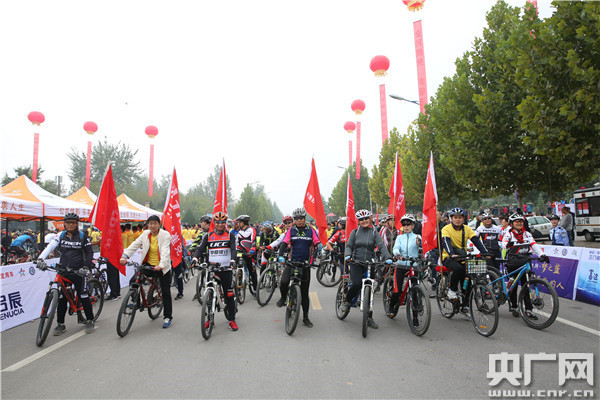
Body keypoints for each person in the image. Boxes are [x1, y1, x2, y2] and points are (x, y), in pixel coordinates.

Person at [37, 213, 95, 335]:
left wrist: (85, 267)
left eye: (73, 222)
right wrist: (40, 258)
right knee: (62, 298)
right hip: (64, 271)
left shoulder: (82, 236)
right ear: (64, 223)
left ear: (76, 224)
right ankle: (60, 324)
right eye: (68, 222)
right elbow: (51, 246)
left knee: (83, 295)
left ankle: (90, 320)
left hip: (79, 271)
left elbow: (89, 253)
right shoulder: (60, 235)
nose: (70, 224)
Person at [341, 209, 393, 329]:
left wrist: (388, 257)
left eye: (366, 218)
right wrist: (348, 255)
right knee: (357, 283)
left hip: (370, 263)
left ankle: (369, 317)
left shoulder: (374, 233)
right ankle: (347, 302)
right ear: (358, 221)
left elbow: (381, 246)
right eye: (361, 219)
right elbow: (348, 246)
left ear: (370, 219)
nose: (364, 221)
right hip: (356, 262)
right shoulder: (355, 232)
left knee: (371, 290)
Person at [120, 215, 174, 329]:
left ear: (159, 224)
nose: (153, 225)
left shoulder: (165, 235)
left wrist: (161, 265)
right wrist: (125, 256)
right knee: (134, 281)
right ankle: (137, 301)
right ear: (147, 225)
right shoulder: (145, 234)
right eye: (150, 223)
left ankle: (167, 317)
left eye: (155, 223)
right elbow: (134, 245)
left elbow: (165, 251)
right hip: (148, 265)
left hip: (162, 267)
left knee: (165, 293)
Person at [192, 211, 238, 331]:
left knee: (229, 295)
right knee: (209, 293)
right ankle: (209, 319)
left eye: (222, 222)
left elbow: (233, 249)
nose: (220, 224)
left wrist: (232, 261)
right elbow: (200, 248)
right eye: (217, 222)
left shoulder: (230, 236)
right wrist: (195, 258)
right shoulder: (208, 236)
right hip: (212, 270)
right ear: (214, 223)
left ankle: (232, 320)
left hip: (226, 269)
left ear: (225, 223)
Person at [276, 208, 320, 328]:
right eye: (296, 219)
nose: (299, 220)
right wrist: (280, 256)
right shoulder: (291, 230)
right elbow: (284, 243)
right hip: (292, 262)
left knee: (304, 294)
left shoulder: (311, 230)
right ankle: (284, 297)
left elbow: (316, 242)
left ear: (305, 219)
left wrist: (320, 247)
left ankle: (305, 317)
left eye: (301, 218)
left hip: (305, 264)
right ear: (294, 220)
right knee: (284, 282)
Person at [441, 208, 490, 312]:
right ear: (451, 219)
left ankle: (465, 305)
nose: (457, 220)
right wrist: (452, 254)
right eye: (455, 218)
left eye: (460, 217)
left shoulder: (467, 229)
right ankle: (452, 289)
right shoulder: (446, 229)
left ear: (463, 218)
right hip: (449, 257)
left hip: (463, 257)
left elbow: (476, 240)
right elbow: (446, 242)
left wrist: (485, 252)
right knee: (458, 269)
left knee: (468, 280)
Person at [501, 213, 550, 318]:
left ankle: (528, 309)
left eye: (521, 221)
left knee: (526, 286)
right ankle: (514, 306)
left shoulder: (527, 234)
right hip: (513, 262)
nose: (519, 223)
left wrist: (542, 254)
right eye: (516, 222)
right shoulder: (509, 234)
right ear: (512, 224)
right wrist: (509, 244)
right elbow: (503, 244)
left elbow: (534, 245)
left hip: (525, 262)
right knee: (513, 286)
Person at [389, 214, 421, 318]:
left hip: (413, 266)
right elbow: (395, 248)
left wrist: (418, 243)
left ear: (413, 225)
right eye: (404, 224)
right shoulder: (399, 237)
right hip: (401, 266)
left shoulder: (417, 236)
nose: (406, 226)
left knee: (415, 292)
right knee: (397, 290)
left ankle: (415, 317)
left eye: (408, 224)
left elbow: (419, 244)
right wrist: (397, 255)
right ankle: (391, 306)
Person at [235, 215, 258, 293]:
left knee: (252, 272)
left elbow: (253, 241)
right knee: (237, 270)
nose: (238, 224)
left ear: (244, 222)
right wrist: (236, 250)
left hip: (250, 253)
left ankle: (255, 290)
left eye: (240, 222)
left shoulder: (252, 230)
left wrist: (252, 250)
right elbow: (237, 243)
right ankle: (238, 288)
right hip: (242, 253)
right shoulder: (239, 232)